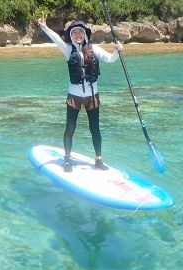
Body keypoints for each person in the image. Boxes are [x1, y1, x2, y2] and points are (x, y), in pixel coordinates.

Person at [37, 15, 122, 172]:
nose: (77, 35)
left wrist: (117, 51)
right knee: (70, 129)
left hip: (92, 96)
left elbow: (110, 59)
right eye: (74, 33)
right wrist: (44, 27)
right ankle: (67, 160)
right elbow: (56, 39)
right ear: (71, 35)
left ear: (85, 34)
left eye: (80, 32)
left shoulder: (94, 49)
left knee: (95, 129)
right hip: (74, 97)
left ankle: (98, 159)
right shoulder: (68, 50)